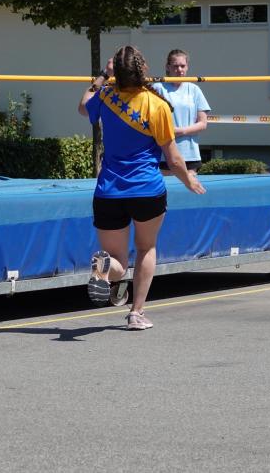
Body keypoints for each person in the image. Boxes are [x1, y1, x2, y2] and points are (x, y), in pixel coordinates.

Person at [78, 45, 206, 330]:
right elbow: (173, 158)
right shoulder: (157, 104)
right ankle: (136, 313)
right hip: (147, 189)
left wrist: (102, 76)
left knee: (117, 262)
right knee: (146, 248)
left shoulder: (105, 96)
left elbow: (83, 106)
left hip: (109, 191)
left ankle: (103, 269)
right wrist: (189, 180)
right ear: (143, 69)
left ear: (116, 71)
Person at [153, 49, 211, 176]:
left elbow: (203, 123)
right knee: (167, 187)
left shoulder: (194, 89)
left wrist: (181, 131)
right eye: (175, 66)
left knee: (190, 188)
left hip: (189, 153)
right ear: (168, 67)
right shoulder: (157, 88)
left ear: (187, 67)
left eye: (182, 66)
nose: (179, 70)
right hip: (164, 153)